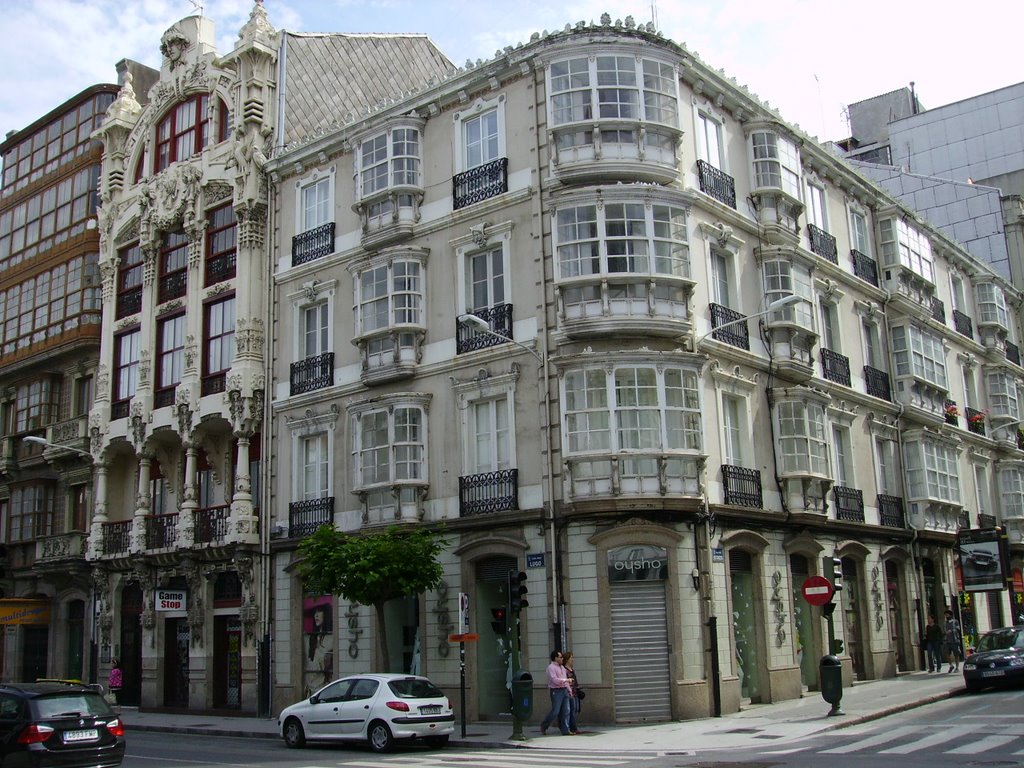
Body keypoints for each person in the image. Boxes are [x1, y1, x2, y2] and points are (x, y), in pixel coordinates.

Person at [538, 650, 573, 736]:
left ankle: (565, 730)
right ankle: (544, 725)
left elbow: (565, 680)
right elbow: (554, 680)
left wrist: (569, 690)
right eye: (560, 657)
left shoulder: (562, 668)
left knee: (566, 710)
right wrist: (566, 680)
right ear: (555, 658)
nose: (562, 659)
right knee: (556, 711)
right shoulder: (551, 668)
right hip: (556, 691)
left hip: (564, 690)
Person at [563, 650, 583, 734]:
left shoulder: (572, 670)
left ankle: (573, 727)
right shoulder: (564, 670)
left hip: (575, 691)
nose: (573, 659)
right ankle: (573, 728)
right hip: (570, 692)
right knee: (572, 710)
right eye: (571, 658)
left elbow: (575, 680)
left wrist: (578, 689)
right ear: (567, 659)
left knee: (576, 709)